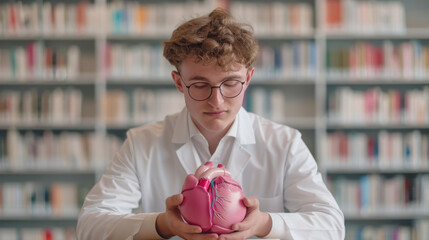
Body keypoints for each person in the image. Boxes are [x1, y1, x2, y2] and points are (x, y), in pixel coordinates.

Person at [77, 8, 345, 240]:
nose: (216, 101)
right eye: (200, 85)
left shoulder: (284, 143)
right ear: (179, 82)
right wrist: (162, 225)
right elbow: (89, 225)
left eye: (230, 83)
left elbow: (332, 226)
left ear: (248, 78)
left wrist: (265, 224)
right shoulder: (142, 143)